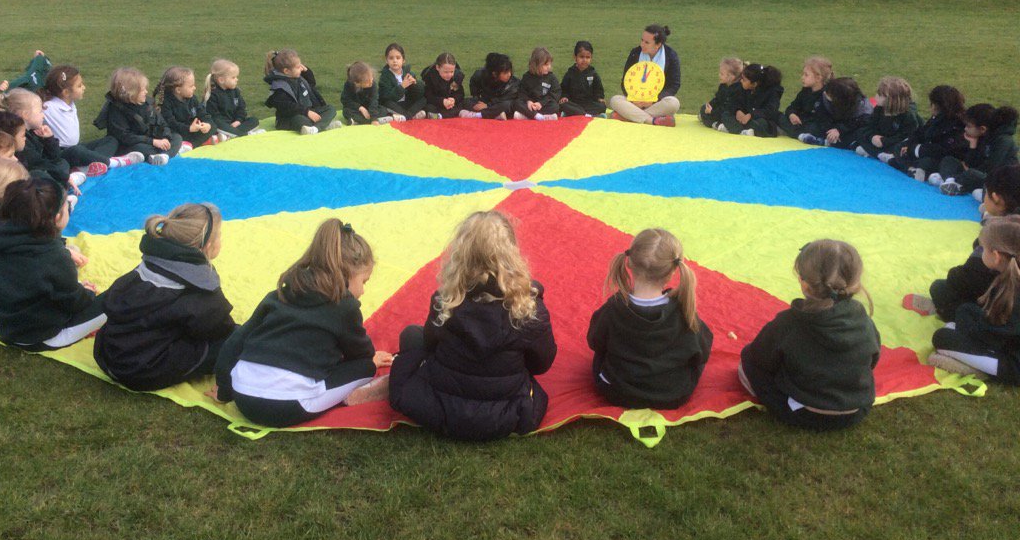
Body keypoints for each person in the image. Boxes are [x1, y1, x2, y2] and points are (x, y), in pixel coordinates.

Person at [388, 211, 556, 441]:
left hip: (442, 407)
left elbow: (429, 344)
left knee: (411, 335)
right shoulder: (528, 309)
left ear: (460, 256)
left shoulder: (445, 301)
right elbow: (542, 364)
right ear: (512, 256)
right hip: (507, 412)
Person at [214, 219, 392, 427]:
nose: (363, 291)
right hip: (287, 405)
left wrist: (225, 390)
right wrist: (372, 360)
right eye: (364, 282)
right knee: (365, 367)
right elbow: (360, 353)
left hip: (243, 395)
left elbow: (236, 341)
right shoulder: (345, 307)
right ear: (346, 275)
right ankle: (354, 394)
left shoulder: (279, 293)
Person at [738, 239, 880, 430]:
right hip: (855, 410)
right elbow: (872, 360)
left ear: (805, 284)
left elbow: (758, 358)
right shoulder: (864, 322)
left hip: (802, 413)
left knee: (746, 361)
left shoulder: (789, 323)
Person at [94, 203, 236, 391]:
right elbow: (220, 328)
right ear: (208, 245)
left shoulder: (148, 265)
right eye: (219, 235)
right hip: (141, 371)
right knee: (235, 341)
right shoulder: (201, 289)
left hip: (107, 355)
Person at [588, 228, 713, 409]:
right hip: (671, 394)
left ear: (629, 263)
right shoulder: (682, 311)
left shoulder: (615, 307)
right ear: (672, 272)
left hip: (617, 391)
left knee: (601, 356)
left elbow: (595, 341)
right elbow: (701, 351)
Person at [0, 178, 106, 351]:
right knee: (113, 301)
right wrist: (88, 293)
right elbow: (73, 301)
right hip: (42, 337)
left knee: (69, 255)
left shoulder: (3, 238)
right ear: (57, 218)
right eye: (66, 207)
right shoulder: (54, 257)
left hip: (8, 326)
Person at [905, 164, 1020, 320]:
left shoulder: (999, 236)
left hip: (1002, 307)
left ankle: (955, 319)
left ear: (996, 199)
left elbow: (965, 278)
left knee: (940, 289)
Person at [928, 215, 1020, 384]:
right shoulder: (1006, 278)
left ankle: (983, 371)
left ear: (996, 256)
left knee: (942, 337)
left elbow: (992, 336)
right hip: (1004, 339)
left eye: (983, 248)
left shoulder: (1013, 292)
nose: (981, 252)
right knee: (964, 311)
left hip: (1012, 362)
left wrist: (964, 325)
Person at [41, 66, 144, 175]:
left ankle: (88, 166)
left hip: (76, 147)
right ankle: (114, 162)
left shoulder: (70, 103)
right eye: (79, 86)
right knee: (77, 151)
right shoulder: (48, 108)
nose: (84, 87)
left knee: (111, 140)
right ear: (66, 92)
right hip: (61, 153)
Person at [0, 88, 83, 192]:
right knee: (46, 171)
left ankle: (65, 182)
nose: (43, 115)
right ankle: (63, 189)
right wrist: (64, 176)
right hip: (30, 184)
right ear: (25, 114)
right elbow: (40, 164)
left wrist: (49, 139)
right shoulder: (20, 143)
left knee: (64, 160)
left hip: (40, 173)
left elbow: (53, 158)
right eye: (40, 111)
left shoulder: (33, 132)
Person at [97, 67, 182, 165]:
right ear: (131, 93)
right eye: (143, 90)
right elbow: (125, 137)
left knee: (177, 137)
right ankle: (167, 153)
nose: (146, 92)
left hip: (152, 140)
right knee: (140, 149)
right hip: (131, 145)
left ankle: (164, 156)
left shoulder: (147, 104)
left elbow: (162, 124)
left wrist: (165, 138)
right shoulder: (117, 110)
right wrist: (152, 141)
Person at [930, 104, 1018, 196]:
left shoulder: (1004, 141)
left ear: (983, 129)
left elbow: (991, 167)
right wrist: (973, 145)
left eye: (968, 126)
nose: (965, 129)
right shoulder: (985, 137)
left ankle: (954, 183)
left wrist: (969, 170)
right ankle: (949, 181)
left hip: (994, 179)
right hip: (977, 172)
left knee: (972, 174)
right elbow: (970, 163)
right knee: (949, 160)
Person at [888, 84, 967, 182]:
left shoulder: (957, 124)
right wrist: (909, 144)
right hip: (924, 151)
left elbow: (942, 150)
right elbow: (920, 133)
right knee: (899, 148)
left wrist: (914, 149)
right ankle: (911, 168)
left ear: (937, 106)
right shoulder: (936, 119)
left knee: (927, 162)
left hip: (940, 157)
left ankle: (915, 169)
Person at [608, 24, 681, 126]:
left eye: (647, 42)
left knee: (673, 103)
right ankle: (652, 120)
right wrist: (634, 100)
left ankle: (627, 117)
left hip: (655, 103)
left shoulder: (671, 55)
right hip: (634, 101)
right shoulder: (635, 53)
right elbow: (625, 80)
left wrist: (653, 101)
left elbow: (674, 85)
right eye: (642, 40)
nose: (642, 44)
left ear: (658, 44)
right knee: (615, 100)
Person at [264, 49, 340, 135]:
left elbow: (311, 84)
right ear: (286, 71)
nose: (301, 68)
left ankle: (316, 127)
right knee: (300, 120)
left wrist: (306, 71)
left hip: (308, 112)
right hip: (290, 117)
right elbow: (288, 107)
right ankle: (322, 126)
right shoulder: (279, 87)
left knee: (330, 109)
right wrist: (306, 112)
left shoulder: (298, 77)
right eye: (298, 67)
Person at [853, 77, 921, 159]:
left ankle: (876, 153)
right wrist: (872, 137)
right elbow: (870, 125)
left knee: (902, 147)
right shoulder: (879, 109)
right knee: (859, 133)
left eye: (880, 95)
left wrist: (884, 141)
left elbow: (906, 136)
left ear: (891, 100)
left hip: (895, 142)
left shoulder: (908, 116)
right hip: (881, 139)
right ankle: (879, 153)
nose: (876, 96)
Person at [155, 66, 221, 149]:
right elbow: (171, 124)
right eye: (191, 86)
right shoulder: (166, 103)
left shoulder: (192, 98)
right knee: (175, 136)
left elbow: (203, 114)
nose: (195, 88)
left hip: (192, 130)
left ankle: (191, 144)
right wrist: (189, 128)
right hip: (178, 131)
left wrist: (207, 124)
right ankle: (193, 144)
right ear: (178, 90)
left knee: (213, 126)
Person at [797, 77, 872, 148]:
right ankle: (829, 140)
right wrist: (831, 129)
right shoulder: (826, 97)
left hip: (849, 128)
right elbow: (822, 115)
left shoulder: (863, 109)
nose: (825, 93)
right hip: (832, 124)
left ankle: (825, 142)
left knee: (859, 135)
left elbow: (857, 123)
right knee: (812, 126)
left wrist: (839, 130)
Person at [717, 63, 784, 137]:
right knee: (726, 115)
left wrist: (751, 115)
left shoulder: (772, 92)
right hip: (743, 118)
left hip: (759, 119)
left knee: (760, 124)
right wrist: (737, 111)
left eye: (744, 80)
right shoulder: (742, 87)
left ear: (754, 84)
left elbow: (770, 111)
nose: (741, 81)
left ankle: (734, 129)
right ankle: (741, 131)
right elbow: (734, 102)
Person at [205, 59, 263, 138]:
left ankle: (229, 135)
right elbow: (215, 117)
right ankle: (243, 135)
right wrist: (227, 125)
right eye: (233, 77)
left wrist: (238, 120)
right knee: (218, 124)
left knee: (254, 120)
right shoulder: (213, 95)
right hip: (222, 125)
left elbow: (241, 108)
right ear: (221, 80)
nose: (237, 79)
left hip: (235, 124)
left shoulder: (235, 91)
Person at [777, 56, 832, 138]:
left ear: (818, 78)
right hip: (799, 123)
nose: (802, 77)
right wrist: (792, 114)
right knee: (777, 115)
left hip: (812, 126)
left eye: (806, 75)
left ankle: (795, 133)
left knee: (813, 128)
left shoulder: (826, 94)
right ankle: (796, 133)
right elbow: (792, 106)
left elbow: (824, 120)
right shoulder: (805, 91)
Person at [464, 52, 519, 120]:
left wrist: (487, 106)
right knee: (466, 102)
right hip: (486, 101)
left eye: (510, 71)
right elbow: (474, 82)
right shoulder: (481, 75)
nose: (509, 74)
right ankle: (495, 115)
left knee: (507, 105)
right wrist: (476, 96)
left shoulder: (514, 84)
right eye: (505, 73)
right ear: (495, 74)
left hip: (499, 104)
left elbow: (504, 100)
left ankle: (479, 115)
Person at [378, 43, 426, 121]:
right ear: (386, 60)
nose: (394, 61)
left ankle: (405, 116)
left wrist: (415, 84)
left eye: (398, 58)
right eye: (391, 58)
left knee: (423, 99)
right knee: (387, 104)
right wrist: (402, 86)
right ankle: (409, 116)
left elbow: (420, 93)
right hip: (394, 104)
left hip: (406, 103)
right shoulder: (384, 76)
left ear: (403, 60)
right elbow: (387, 98)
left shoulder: (408, 73)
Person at [559, 40, 606, 117]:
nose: (584, 60)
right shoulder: (570, 73)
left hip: (589, 103)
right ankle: (586, 114)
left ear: (591, 58)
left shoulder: (593, 73)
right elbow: (564, 88)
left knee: (602, 106)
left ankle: (577, 113)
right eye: (581, 57)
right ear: (575, 57)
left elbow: (598, 89)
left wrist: (599, 98)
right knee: (563, 105)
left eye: (588, 57)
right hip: (574, 102)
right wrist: (564, 97)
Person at [513, 47, 562, 120]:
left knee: (555, 106)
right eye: (546, 65)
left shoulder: (551, 77)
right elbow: (522, 93)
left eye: (550, 64)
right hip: (530, 104)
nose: (549, 67)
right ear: (536, 65)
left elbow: (555, 93)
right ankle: (540, 116)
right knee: (517, 103)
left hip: (544, 104)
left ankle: (528, 115)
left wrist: (541, 103)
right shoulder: (527, 77)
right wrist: (528, 101)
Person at [699, 57, 745, 129]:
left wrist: (712, 112)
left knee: (725, 116)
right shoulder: (723, 85)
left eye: (722, 74)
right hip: (719, 110)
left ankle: (715, 124)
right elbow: (717, 99)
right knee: (703, 108)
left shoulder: (737, 89)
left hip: (729, 113)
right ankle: (713, 121)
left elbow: (728, 108)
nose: (719, 75)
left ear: (731, 77)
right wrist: (709, 105)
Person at [421, 52, 466, 119]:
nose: (449, 75)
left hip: (450, 104)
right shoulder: (430, 77)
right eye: (446, 72)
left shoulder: (457, 76)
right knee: (429, 107)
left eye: (452, 71)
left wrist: (454, 99)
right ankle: (443, 115)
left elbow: (460, 94)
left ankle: (440, 116)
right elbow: (428, 96)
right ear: (437, 68)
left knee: (465, 103)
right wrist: (442, 101)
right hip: (436, 103)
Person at [341, 61, 387, 125]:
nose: (371, 81)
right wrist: (360, 108)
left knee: (383, 110)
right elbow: (345, 100)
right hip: (356, 110)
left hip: (369, 109)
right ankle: (368, 121)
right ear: (357, 83)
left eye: (372, 78)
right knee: (346, 111)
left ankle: (358, 121)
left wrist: (374, 118)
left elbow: (374, 101)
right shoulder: (349, 84)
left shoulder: (372, 84)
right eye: (367, 81)